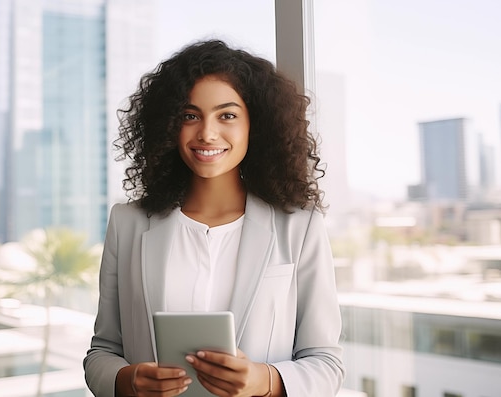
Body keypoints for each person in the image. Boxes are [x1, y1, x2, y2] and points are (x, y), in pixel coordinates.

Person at [84, 39, 344, 397]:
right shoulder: (127, 223)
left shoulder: (299, 227)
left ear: (257, 124)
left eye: (227, 115)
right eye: (190, 116)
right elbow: (102, 351)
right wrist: (127, 380)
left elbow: (326, 363)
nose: (206, 133)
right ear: (169, 125)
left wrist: (264, 381)